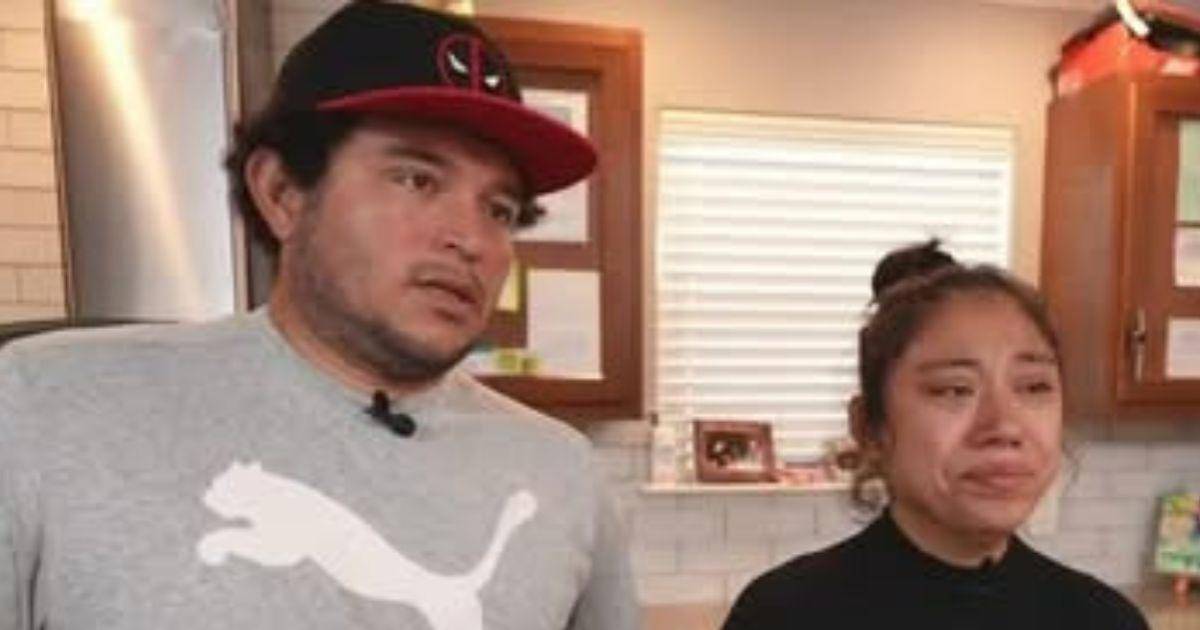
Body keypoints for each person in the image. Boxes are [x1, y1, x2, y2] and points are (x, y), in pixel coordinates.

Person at [0, 2, 636, 629]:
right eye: (416, 180)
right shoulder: (42, 406)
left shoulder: (561, 473)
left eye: (499, 209)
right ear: (282, 193)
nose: (470, 239)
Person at [722, 240, 1149, 630]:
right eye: (954, 390)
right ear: (870, 428)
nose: (1004, 426)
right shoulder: (783, 616)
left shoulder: (1104, 620)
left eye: (1034, 387)